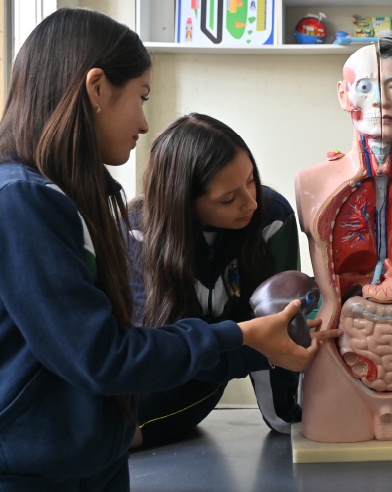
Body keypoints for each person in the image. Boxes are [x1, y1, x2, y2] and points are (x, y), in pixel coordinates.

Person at [0, 8, 338, 491]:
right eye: (140, 96)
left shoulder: (78, 197)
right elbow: (103, 357)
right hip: (19, 476)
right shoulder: (17, 200)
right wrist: (240, 338)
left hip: (89, 462)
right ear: (96, 88)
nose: (143, 121)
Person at [127, 114, 304, 448]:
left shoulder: (273, 219)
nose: (251, 202)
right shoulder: (136, 233)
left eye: (251, 179)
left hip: (210, 375)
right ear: (182, 202)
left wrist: (285, 416)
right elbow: (153, 354)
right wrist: (257, 348)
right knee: (112, 435)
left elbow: (282, 325)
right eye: (227, 199)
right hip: (153, 381)